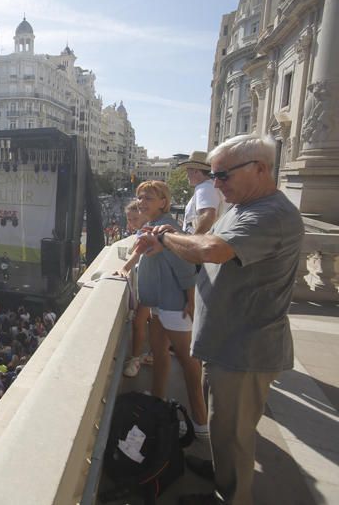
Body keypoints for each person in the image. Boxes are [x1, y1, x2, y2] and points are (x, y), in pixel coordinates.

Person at [133, 134, 304, 505]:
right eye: (213, 176)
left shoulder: (269, 214)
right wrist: (171, 242)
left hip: (244, 349)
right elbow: (204, 248)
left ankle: (230, 496)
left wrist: (165, 238)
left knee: (235, 435)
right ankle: (222, 473)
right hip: (227, 343)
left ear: (260, 168)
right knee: (225, 428)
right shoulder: (245, 205)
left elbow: (211, 250)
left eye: (223, 175)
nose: (216, 184)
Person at [131, 180, 208, 436]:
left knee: (188, 362)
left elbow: (185, 266)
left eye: (149, 197)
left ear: (163, 201)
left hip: (174, 305)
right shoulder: (150, 226)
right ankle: (158, 400)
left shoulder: (168, 229)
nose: (142, 202)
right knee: (160, 354)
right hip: (158, 304)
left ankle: (200, 421)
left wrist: (190, 299)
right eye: (140, 197)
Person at [117, 201, 152, 377]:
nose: (131, 223)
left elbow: (137, 252)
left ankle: (136, 359)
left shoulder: (149, 230)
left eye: (135, 218)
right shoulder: (144, 230)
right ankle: (149, 355)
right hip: (150, 283)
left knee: (139, 323)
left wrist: (125, 268)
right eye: (129, 219)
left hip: (154, 286)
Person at [178, 151, 225, 235]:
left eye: (188, 171)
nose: (186, 176)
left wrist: (193, 242)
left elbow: (208, 216)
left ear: (196, 171)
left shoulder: (204, 187)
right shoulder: (209, 186)